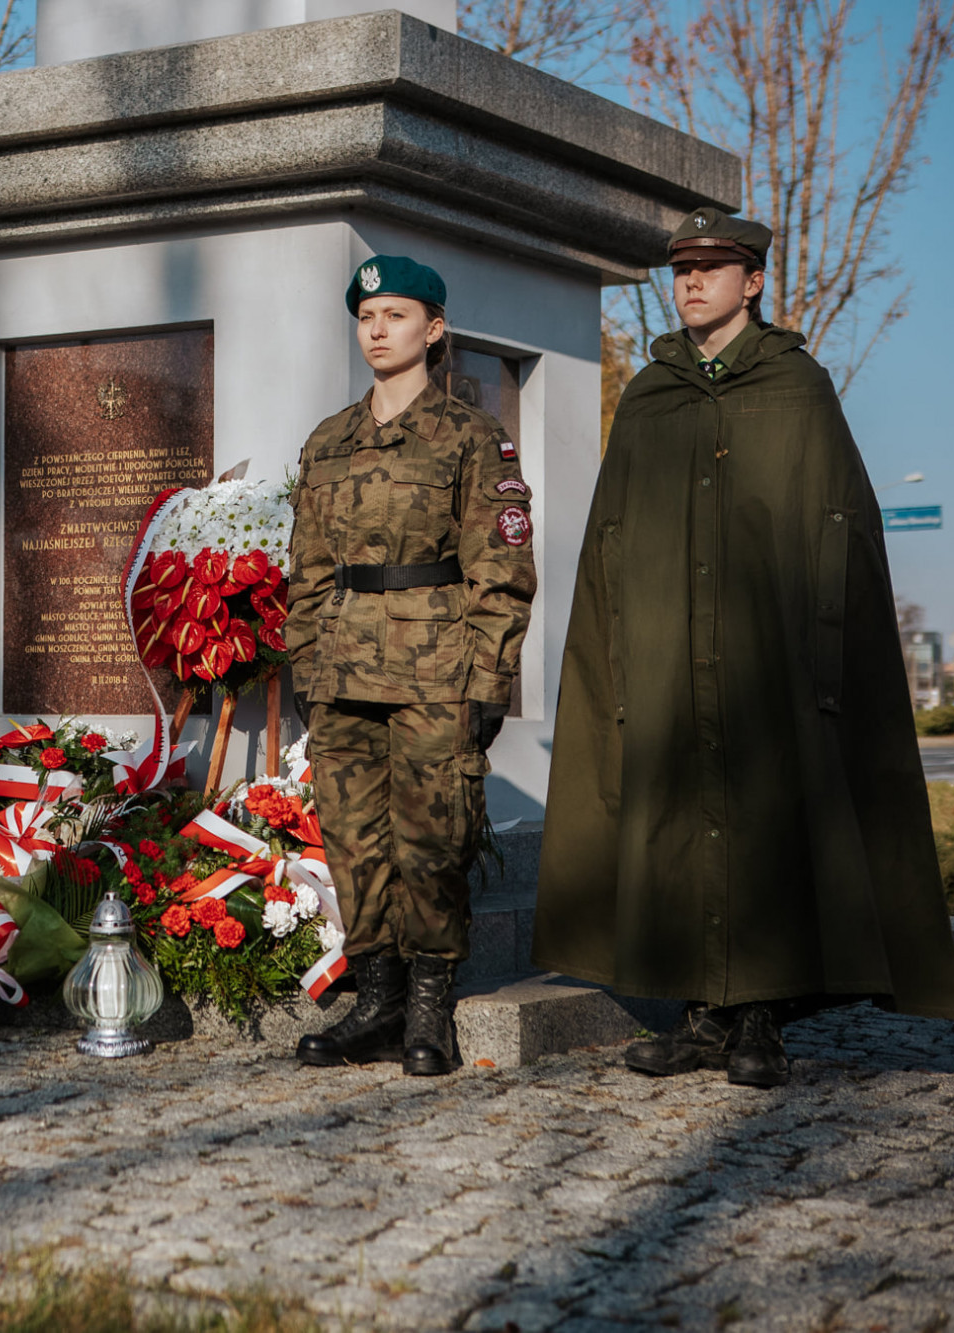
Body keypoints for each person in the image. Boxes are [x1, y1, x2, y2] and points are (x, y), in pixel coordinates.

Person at [534, 206, 954, 1089]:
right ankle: (699, 1014)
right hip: (664, 647)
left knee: (765, 817)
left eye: (714, 266)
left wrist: (821, 649)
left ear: (754, 280)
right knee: (677, 815)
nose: (693, 281)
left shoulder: (797, 388)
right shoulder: (651, 395)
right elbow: (611, 535)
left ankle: (762, 1016)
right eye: (681, 268)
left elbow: (840, 527)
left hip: (769, 655)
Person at [285, 256, 535, 1076]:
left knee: (434, 839)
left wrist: (488, 680)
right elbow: (309, 568)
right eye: (367, 317)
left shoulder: (471, 437)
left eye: (396, 315)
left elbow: (501, 574)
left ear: (433, 329)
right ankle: (379, 1000)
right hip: (344, 669)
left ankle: (432, 1008)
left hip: (437, 668)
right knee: (355, 840)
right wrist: (305, 664)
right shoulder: (328, 441)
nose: (379, 330)